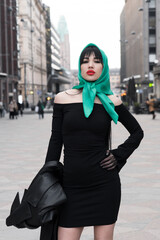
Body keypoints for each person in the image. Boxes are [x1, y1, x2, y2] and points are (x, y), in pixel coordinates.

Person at [45, 43, 144, 240]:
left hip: (104, 185)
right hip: (70, 186)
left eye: (97, 61)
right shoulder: (62, 99)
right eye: (85, 61)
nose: (90, 65)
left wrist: (118, 155)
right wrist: (46, 178)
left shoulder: (111, 100)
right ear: (80, 67)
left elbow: (137, 132)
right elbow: (56, 141)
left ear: (103, 67)